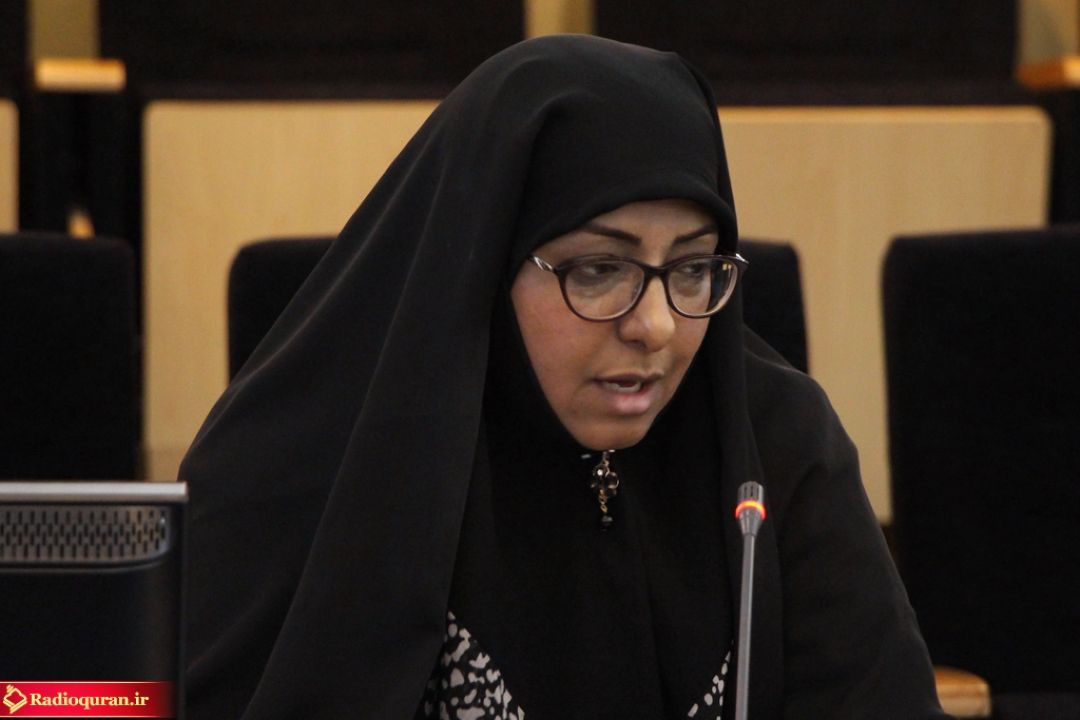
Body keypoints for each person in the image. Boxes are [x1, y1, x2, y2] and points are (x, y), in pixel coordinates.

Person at [180, 35, 950, 720]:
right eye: (599, 269)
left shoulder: (776, 444)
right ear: (487, 261)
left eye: (692, 267)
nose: (655, 326)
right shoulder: (315, 456)